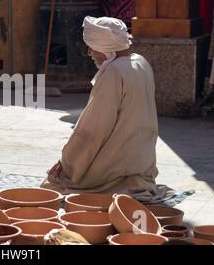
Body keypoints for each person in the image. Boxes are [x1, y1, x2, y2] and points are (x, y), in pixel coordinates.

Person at [41, 16, 169, 203]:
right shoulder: (141, 62)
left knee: (51, 185)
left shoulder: (114, 72)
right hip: (142, 164)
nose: (90, 53)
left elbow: (93, 130)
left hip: (118, 166)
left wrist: (66, 164)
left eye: (92, 47)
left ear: (105, 48)